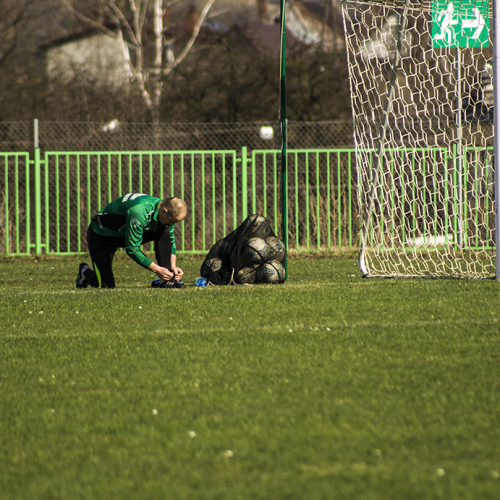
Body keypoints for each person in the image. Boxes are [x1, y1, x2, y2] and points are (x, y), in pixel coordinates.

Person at [76, 194, 187, 289]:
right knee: (105, 286)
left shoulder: (163, 210)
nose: (172, 224)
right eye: (172, 221)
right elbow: (132, 248)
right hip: (102, 236)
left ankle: (167, 280)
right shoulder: (139, 212)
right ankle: (84, 273)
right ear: (164, 211)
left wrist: (173, 267)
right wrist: (157, 269)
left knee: (164, 230)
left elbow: (170, 240)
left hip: (123, 233)